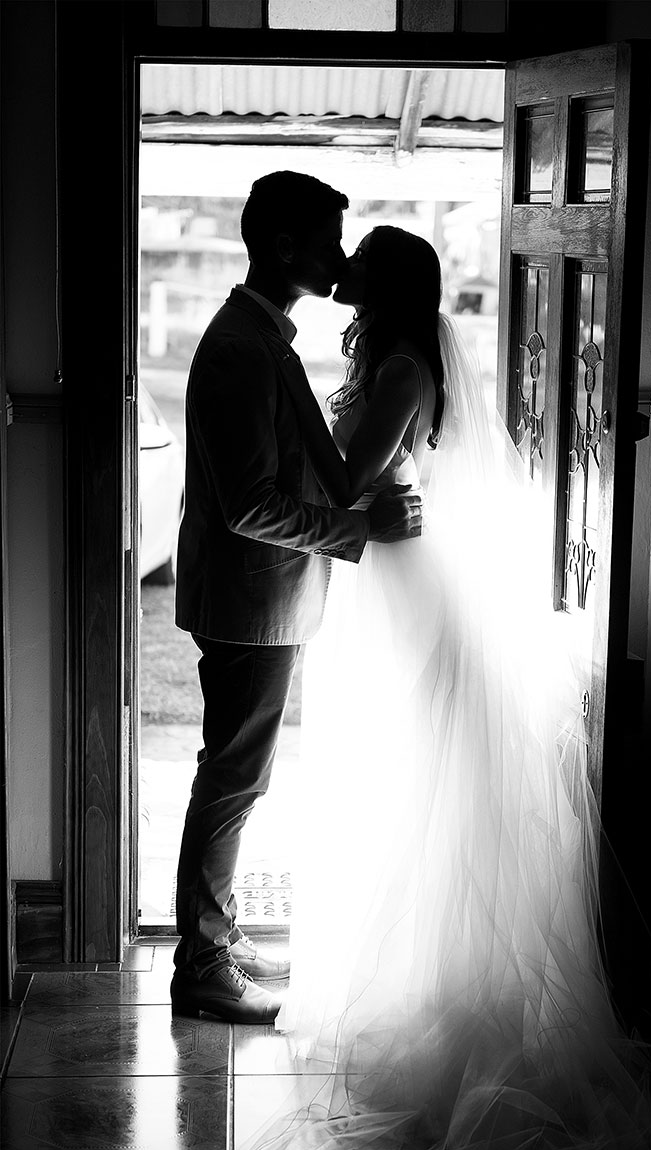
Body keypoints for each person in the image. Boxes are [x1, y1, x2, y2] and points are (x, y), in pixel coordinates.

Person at [222, 227, 651, 1150]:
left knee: (418, 776)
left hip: (408, 583)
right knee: (395, 778)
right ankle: (409, 983)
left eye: (359, 267)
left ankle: (441, 994)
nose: (342, 270)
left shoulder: (399, 369)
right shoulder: (391, 357)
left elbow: (349, 482)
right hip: (384, 574)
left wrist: (298, 402)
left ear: (386, 291)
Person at [170, 178, 423, 1026]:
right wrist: (356, 530)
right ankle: (203, 963)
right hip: (248, 601)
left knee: (241, 775)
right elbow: (249, 504)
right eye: (327, 243)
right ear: (283, 248)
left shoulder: (266, 337)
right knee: (233, 779)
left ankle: (219, 936)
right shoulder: (244, 349)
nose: (342, 260)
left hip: (262, 597)